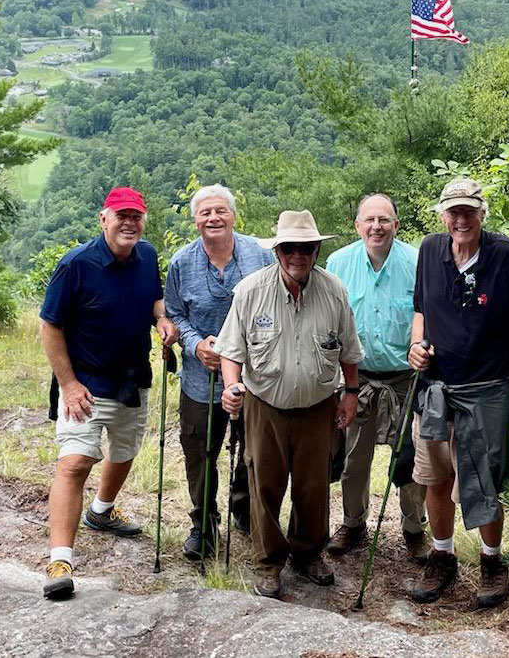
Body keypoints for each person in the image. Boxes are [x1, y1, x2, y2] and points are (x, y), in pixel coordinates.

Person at [215, 210, 364, 599]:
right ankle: (268, 563)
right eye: (290, 248)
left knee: (313, 487)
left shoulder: (334, 292)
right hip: (264, 405)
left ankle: (308, 554)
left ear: (316, 250)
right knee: (264, 486)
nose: (298, 255)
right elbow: (231, 350)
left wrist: (351, 394)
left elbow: (348, 349)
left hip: (318, 406)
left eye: (306, 248)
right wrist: (232, 387)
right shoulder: (250, 291)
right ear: (277, 251)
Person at [40, 186, 177, 600]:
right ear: (104, 219)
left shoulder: (148, 256)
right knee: (75, 463)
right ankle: (60, 560)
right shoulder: (76, 265)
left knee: (124, 451)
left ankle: (101, 511)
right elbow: (50, 325)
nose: (129, 223)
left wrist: (161, 319)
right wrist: (68, 383)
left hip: (132, 378)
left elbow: (153, 297)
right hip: (85, 383)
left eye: (136, 216)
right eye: (122, 216)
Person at [408, 177, 509, 608]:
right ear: (443, 215)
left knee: (484, 481)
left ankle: (491, 563)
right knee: (435, 476)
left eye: (469, 211)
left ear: (483, 213)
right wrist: (416, 346)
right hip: (435, 388)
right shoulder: (429, 250)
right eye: (454, 211)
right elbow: (421, 309)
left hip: (488, 389)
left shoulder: (508, 256)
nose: (461, 219)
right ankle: (442, 557)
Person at [164, 183, 273, 560]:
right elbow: (175, 313)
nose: (213, 218)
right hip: (200, 378)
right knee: (200, 452)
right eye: (205, 212)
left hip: (255, 376)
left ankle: (244, 511)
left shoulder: (259, 255)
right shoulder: (181, 262)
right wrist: (195, 344)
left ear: (233, 215)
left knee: (253, 450)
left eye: (220, 211)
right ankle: (204, 524)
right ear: (195, 220)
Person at [325, 193, 427, 562]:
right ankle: (353, 524)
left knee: (414, 458)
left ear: (396, 225)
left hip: (407, 379)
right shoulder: (338, 263)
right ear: (357, 226)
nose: (376, 226)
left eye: (384, 220)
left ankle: (415, 528)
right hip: (359, 378)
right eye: (369, 220)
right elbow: (330, 323)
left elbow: (427, 316)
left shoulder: (417, 262)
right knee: (354, 459)